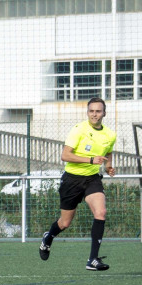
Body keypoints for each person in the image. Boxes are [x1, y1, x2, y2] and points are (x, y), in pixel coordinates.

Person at [38, 97, 117, 271]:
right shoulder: (78, 130)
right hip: (72, 180)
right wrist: (90, 159)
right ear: (87, 112)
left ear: (104, 113)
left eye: (98, 111)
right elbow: (65, 155)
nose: (95, 114)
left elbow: (108, 152)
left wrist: (109, 166)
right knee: (64, 223)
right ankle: (48, 237)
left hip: (92, 179)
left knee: (101, 212)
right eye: (91, 111)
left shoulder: (110, 134)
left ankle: (92, 259)